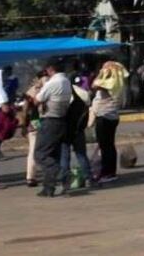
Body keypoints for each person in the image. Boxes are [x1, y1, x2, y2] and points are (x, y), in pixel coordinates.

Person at [35, 59, 72, 198]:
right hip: (62, 120)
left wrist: (39, 87)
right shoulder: (66, 81)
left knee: (41, 154)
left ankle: (57, 172)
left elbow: (37, 100)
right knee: (54, 154)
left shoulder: (52, 83)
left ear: (50, 69)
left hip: (49, 120)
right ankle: (49, 187)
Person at [90, 61, 127, 182]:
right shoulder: (117, 81)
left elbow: (94, 85)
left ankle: (107, 173)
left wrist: (101, 74)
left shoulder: (110, 82)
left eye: (104, 68)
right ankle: (110, 172)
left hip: (105, 116)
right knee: (109, 145)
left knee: (105, 146)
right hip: (111, 117)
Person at [59, 84, 95, 192]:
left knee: (64, 158)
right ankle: (88, 179)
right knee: (81, 155)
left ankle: (65, 183)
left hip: (65, 131)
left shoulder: (63, 93)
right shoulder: (83, 94)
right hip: (78, 130)